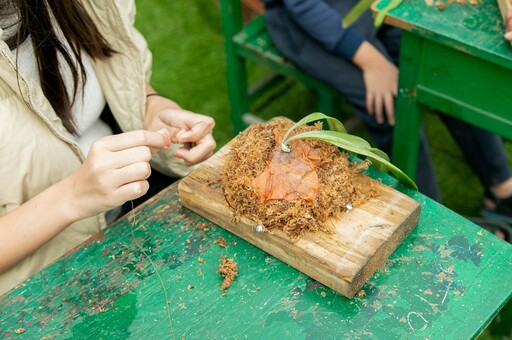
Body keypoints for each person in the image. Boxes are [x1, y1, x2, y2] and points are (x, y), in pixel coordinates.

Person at [0, 0, 216, 295]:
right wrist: (72, 197)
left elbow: (116, 72)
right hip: (43, 282)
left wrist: (151, 108)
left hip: (135, 203)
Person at [262, 0, 512, 237]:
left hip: (366, 9)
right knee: (389, 103)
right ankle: (434, 226)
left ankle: (502, 188)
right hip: (308, 21)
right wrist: (372, 61)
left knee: (439, 68)